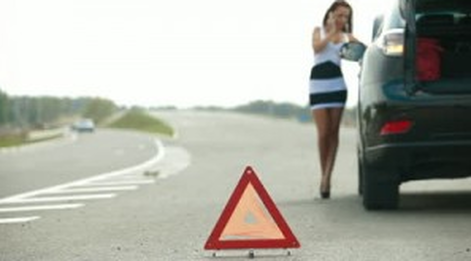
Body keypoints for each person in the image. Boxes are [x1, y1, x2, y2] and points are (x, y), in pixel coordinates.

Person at [309, 0, 359, 199]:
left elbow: (362, 52)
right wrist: (331, 31)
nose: (342, 19)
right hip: (318, 86)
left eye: (345, 16)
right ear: (330, 14)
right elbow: (317, 48)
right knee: (322, 134)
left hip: (337, 86)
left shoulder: (347, 37)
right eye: (338, 15)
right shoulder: (318, 31)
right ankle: (324, 175)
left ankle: (327, 177)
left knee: (333, 133)